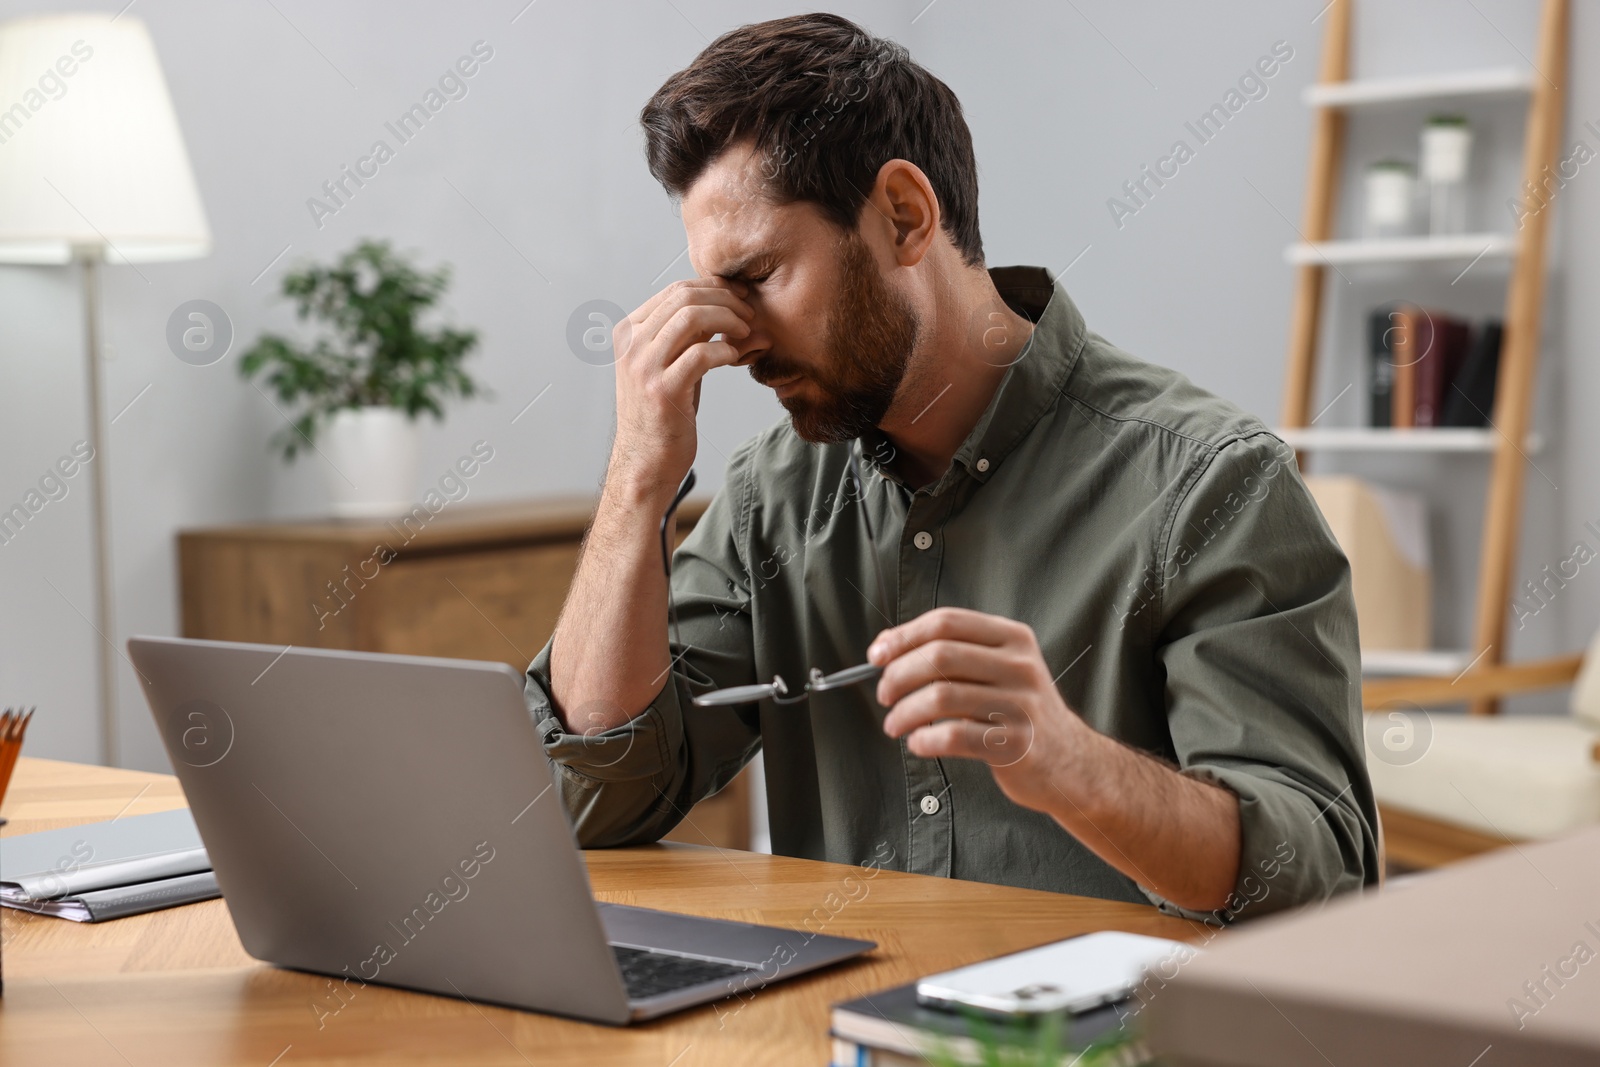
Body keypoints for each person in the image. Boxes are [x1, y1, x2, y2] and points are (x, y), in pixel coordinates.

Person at [523, 12, 1378, 921]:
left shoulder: (1213, 485)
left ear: (904, 215)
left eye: (759, 276)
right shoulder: (773, 500)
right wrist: (636, 481)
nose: (734, 340)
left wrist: (1067, 762)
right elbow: (593, 798)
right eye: (712, 291)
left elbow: (1314, 879)